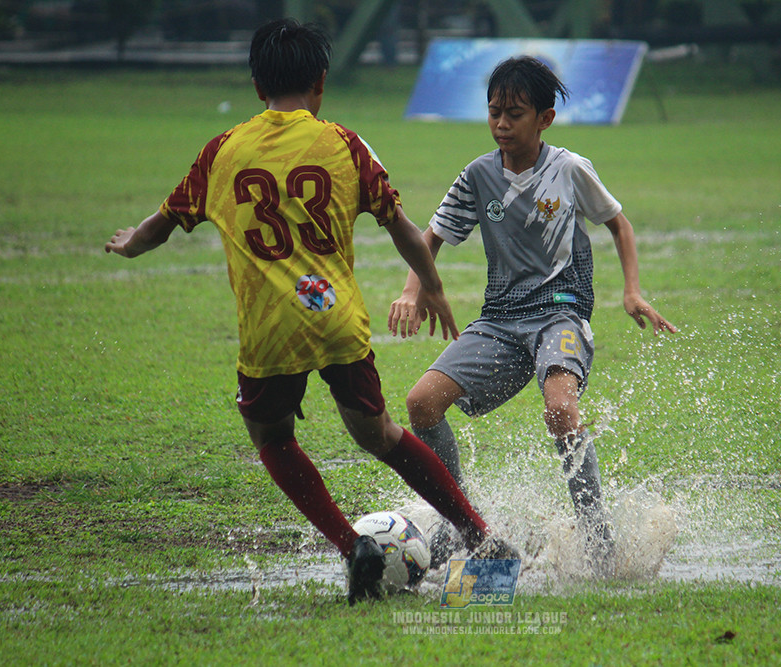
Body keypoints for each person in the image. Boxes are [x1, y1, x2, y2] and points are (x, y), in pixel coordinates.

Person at [104, 18, 515, 605]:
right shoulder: (342, 143)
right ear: (321, 82)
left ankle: (353, 547)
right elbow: (400, 225)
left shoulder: (222, 151)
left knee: (272, 438)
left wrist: (131, 244)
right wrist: (432, 285)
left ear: (254, 85)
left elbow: (162, 224)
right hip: (334, 319)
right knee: (380, 433)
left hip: (269, 328)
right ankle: (480, 532)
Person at [388, 55, 677, 575]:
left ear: (544, 118)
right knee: (420, 404)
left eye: (514, 113)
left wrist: (632, 292)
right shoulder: (477, 176)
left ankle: (597, 539)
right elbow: (427, 237)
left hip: (559, 316)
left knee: (560, 409)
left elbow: (620, 224)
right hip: (500, 321)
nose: (501, 123)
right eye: (494, 111)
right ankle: (463, 524)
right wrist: (413, 290)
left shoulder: (569, 169)